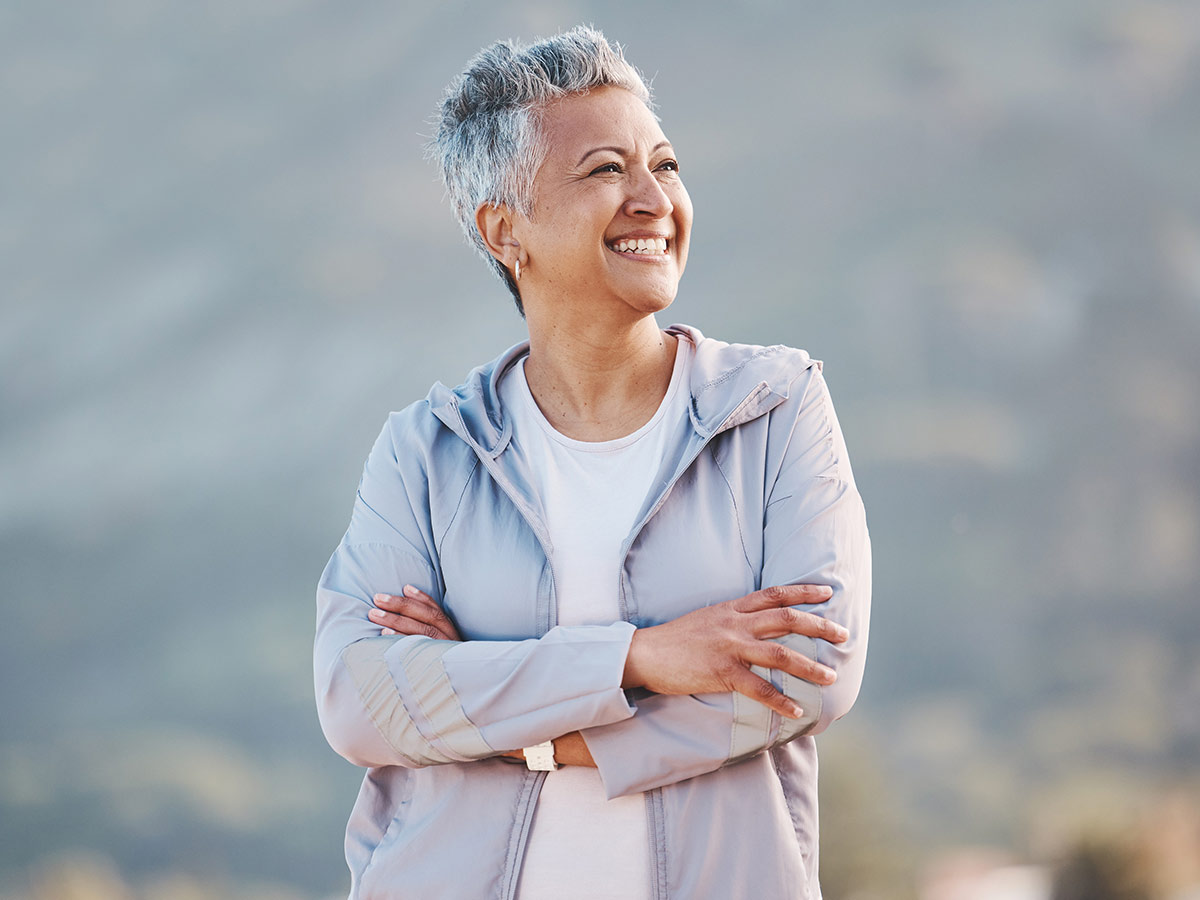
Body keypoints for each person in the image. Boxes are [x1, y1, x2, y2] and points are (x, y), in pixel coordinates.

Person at [314, 26, 871, 900]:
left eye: (667, 165)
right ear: (505, 231)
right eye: (607, 170)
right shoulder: (426, 451)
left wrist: (507, 718)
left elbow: (806, 675)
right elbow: (361, 698)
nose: (654, 198)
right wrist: (639, 661)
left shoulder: (774, 407)